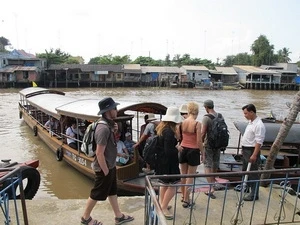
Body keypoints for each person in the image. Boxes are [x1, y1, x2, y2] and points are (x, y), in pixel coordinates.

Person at [81, 97, 134, 225]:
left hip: (110, 165)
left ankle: (118, 216)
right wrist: (105, 171)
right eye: (114, 108)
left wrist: (114, 130)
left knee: (112, 191)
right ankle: (85, 218)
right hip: (104, 167)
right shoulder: (103, 128)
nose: (116, 110)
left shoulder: (108, 126)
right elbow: (99, 153)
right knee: (97, 193)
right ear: (109, 111)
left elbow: (110, 145)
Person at [156, 106, 182, 220]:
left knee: (164, 183)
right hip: (169, 163)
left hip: (162, 161)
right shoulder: (169, 132)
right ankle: (164, 207)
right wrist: (178, 148)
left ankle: (162, 204)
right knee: (175, 184)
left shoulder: (161, 128)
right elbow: (169, 150)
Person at [178, 102, 203, 207]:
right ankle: (187, 199)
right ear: (196, 112)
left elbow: (179, 137)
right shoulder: (197, 124)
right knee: (190, 176)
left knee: (183, 174)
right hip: (193, 150)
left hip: (183, 149)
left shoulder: (182, 123)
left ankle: (183, 195)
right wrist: (203, 152)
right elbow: (199, 141)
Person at [241, 103, 266, 201]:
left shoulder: (259, 125)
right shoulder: (251, 122)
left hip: (251, 150)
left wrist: (254, 154)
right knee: (245, 170)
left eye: (246, 113)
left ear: (252, 112)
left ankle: (254, 194)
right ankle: (246, 187)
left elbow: (259, 142)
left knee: (253, 172)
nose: (245, 115)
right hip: (246, 149)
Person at [201, 99, 225, 198]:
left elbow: (203, 132)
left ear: (206, 107)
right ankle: (213, 183)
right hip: (218, 145)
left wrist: (200, 144)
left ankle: (211, 187)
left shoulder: (206, 118)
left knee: (207, 165)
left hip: (209, 145)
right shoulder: (220, 115)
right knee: (215, 163)